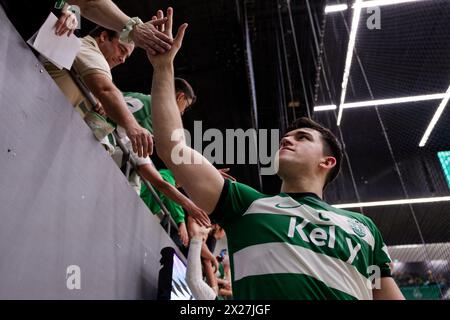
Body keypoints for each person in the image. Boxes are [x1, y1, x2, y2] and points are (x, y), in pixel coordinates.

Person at [146, 7, 404, 300]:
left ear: (327, 162)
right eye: (286, 137)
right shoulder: (244, 204)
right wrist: (163, 68)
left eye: (302, 138)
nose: (287, 140)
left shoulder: (363, 228)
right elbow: (173, 150)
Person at [46, 26, 153, 158]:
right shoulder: (88, 49)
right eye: (122, 50)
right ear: (103, 37)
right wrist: (133, 126)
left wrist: (96, 98)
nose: (122, 59)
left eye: (126, 56)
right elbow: (107, 90)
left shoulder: (92, 68)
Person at [0, 0, 173, 54]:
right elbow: (90, 3)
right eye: (122, 51)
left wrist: (67, 11)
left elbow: (75, 3)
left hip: (23, 40)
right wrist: (133, 28)